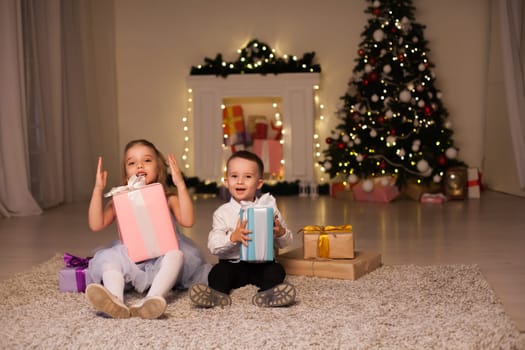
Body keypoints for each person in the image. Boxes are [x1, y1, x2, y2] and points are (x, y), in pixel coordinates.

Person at [86, 139, 210, 319]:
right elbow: (96, 224)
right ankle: (114, 299)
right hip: (133, 260)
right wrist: (98, 190)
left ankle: (153, 299)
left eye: (147, 160)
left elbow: (188, 220)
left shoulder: (168, 197)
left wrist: (180, 185)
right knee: (109, 260)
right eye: (132, 162)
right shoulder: (120, 198)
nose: (139, 165)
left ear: (158, 168)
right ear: (125, 174)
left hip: (162, 258)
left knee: (177, 254)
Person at [189, 150, 296, 308]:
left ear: (259, 183)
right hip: (233, 264)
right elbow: (213, 245)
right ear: (226, 181)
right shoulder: (222, 213)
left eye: (247, 176)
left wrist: (280, 233)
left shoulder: (268, 208)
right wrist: (233, 238)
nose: (240, 181)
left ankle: (268, 294)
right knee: (217, 272)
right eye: (234, 176)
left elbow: (287, 241)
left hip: (262, 264)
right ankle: (216, 295)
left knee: (277, 271)